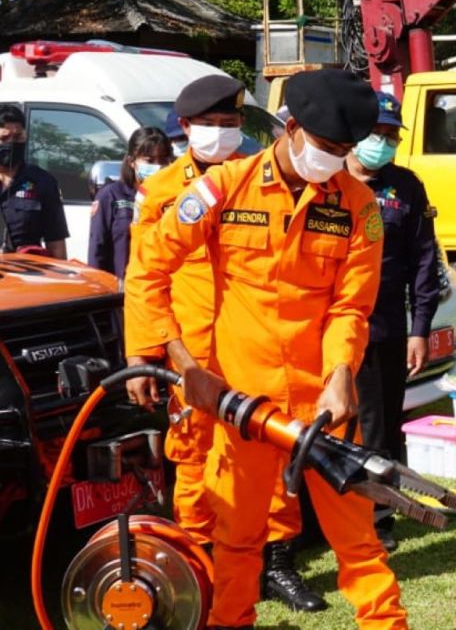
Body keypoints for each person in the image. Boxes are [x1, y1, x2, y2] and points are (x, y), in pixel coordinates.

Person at [124, 68, 405, 630]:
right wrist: (177, 364)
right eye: (326, 148)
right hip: (243, 403)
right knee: (236, 542)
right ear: (292, 127)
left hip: (322, 408)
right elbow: (148, 271)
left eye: (344, 150)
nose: (335, 160)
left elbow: (350, 307)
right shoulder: (221, 188)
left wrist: (342, 371)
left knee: (360, 545)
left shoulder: (358, 206)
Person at [123, 74, 324, 613]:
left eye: (230, 124)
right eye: (209, 125)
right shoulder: (160, 191)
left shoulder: (266, 181)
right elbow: (144, 274)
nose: (220, 133)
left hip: (255, 348)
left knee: (274, 451)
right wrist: (144, 355)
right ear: (185, 128)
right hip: (188, 352)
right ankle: (200, 564)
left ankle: (276, 564)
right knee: (192, 460)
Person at [347, 91, 440, 551]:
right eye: (375, 134)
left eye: (390, 136)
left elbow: (425, 261)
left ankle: (379, 521)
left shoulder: (406, 186)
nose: (382, 144)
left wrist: (420, 327)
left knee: (380, 427)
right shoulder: (329, 180)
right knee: (334, 423)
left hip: (384, 328)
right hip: (327, 329)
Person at [88, 126, 171, 278]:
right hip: (121, 289)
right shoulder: (111, 195)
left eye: (163, 159)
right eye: (150, 160)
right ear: (132, 161)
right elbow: (97, 250)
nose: (158, 166)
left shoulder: (174, 197)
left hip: (161, 286)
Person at [0, 104, 68, 257]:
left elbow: (56, 243)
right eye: (4, 138)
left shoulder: (43, 182)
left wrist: (59, 278)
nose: (11, 143)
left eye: (17, 137)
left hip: (26, 274)